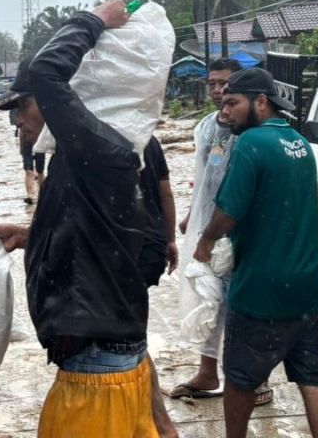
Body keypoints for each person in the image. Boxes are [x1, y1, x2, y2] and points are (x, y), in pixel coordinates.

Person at [0, 0, 157, 438]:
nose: (18, 121)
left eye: (20, 107)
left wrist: (95, 19)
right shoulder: (92, 155)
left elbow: (47, 71)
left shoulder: (98, 148)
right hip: (111, 359)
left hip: (97, 373)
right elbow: (107, 239)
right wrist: (31, 235)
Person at [193, 68, 318, 438]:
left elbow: (228, 212)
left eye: (233, 103)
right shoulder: (300, 143)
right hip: (308, 291)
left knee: (239, 380)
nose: (227, 112)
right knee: (313, 381)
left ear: (260, 102)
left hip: (259, 292)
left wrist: (205, 243)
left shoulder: (251, 142)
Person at [174, 57, 279, 405]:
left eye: (226, 85)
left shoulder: (252, 130)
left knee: (246, 304)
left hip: (244, 231)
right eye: (212, 84)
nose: (219, 91)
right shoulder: (206, 127)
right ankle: (207, 371)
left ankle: (258, 378)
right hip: (208, 228)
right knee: (209, 300)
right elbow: (203, 176)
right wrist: (192, 214)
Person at [138, 135, 180, 438]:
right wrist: (169, 239)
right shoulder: (148, 137)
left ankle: (160, 422)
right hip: (150, 242)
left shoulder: (90, 136)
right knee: (132, 329)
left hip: (124, 247)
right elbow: (165, 193)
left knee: (127, 335)